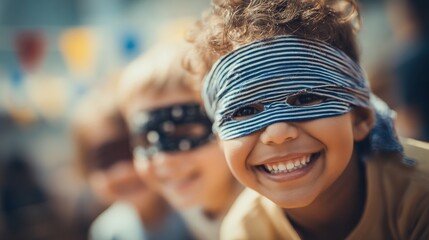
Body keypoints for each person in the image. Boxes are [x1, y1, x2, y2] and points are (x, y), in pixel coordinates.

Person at [186, 0, 429, 239]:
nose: (278, 133)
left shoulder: (420, 195)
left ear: (361, 117)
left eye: (305, 99)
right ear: (220, 140)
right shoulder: (246, 231)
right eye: (245, 111)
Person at [118, 41, 243, 240]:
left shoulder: (272, 215)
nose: (164, 159)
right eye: (145, 139)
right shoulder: (175, 220)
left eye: (183, 132)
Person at [71, 78, 190, 240]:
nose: (123, 172)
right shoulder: (108, 232)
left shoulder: (195, 214)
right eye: (105, 160)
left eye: (130, 150)